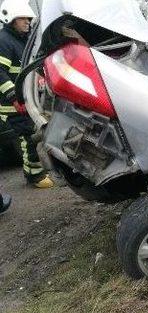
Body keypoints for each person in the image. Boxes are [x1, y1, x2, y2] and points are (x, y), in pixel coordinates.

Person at [0, 0, 53, 188]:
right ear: (11, 19)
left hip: (27, 99)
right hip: (13, 102)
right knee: (29, 136)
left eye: (29, 18)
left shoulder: (24, 39)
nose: (27, 22)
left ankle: (35, 171)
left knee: (35, 133)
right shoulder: (4, 41)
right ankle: (35, 176)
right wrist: (14, 97)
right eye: (22, 18)